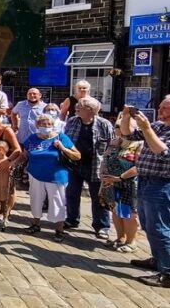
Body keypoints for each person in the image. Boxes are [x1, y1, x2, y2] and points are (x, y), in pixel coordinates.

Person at [122, 98, 170, 288]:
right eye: (160, 107)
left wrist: (147, 128)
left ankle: (167, 273)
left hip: (162, 183)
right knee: (149, 225)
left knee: (160, 227)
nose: (160, 110)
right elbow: (128, 135)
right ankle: (159, 259)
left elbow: (163, 152)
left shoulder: (154, 128)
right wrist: (126, 116)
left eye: (165, 108)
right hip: (145, 180)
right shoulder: (159, 125)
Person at [22, 113, 80, 242]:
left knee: (57, 202)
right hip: (35, 174)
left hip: (56, 176)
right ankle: (36, 224)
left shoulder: (61, 137)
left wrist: (62, 148)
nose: (46, 126)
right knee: (36, 200)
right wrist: (12, 163)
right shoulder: (32, 138)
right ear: (37, 125)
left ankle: (59, 229)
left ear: (53, 125)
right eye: (43, 124)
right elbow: (24, 155)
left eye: (49, 124)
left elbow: (77, 156)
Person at [63, 96, 113, 238]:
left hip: (96, 166)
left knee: (98, 197)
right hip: (74, 165)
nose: (76, 108)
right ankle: (72, 219)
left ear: (91, 110)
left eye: (81, 107)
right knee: (72, 194)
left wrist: (108, 167)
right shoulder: (72, 121)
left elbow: (112, 146)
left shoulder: (104, 124)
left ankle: (101, 226)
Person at [99, 114, 143, 253]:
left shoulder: (139, 144)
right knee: (115, 210)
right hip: (110, 182)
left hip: (129, 183)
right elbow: (104, 158)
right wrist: (102, 174)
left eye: (121, 126)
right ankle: (120, 237)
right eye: (117, 126)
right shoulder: (114, 141)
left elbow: (139, 166)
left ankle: (131, 241)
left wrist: (120, 177)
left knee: (130, 213)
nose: (118, 128)